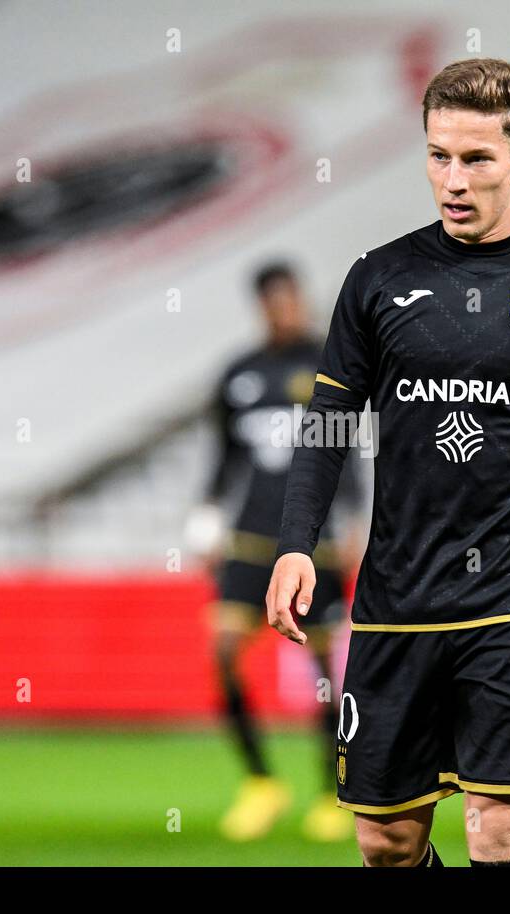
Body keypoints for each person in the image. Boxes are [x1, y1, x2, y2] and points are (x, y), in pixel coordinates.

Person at [266, 58, 510, 867]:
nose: (453, 178)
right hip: (397, 596)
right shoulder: (378, 279)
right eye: (438, 155)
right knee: (386, 841)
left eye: (476, 158)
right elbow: (330, 419)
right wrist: (296, 541)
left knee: (501, 827)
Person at [187, 261, 363, 842]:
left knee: (320, 668)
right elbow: (224, 456)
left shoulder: (328, 365)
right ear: (262, 306)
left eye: (292, 300)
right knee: (223, 651)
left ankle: (332, 788)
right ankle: (262, 782)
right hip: (249, 537)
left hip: (312, 543)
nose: (286, 310)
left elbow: (348, 448)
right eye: (275, 302)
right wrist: (208, 514)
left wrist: (357, 516)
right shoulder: (237, 374)